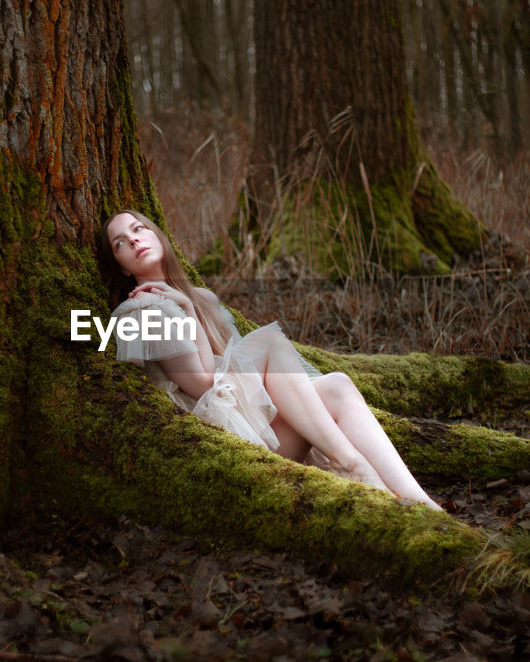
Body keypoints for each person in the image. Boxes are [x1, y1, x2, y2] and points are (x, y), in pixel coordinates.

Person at [102, 210, 442, 509]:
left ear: (156, 233)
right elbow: (204, 384)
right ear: (120, 265)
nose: (134, 240)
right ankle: (349, 463)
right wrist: (188, 314)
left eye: (138, 229)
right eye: (120, 242)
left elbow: (241, 377)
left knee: (337, 385)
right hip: (227, 447)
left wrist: (191, 306)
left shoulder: (200, 297)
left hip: (254, 425)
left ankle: (420, 502)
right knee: (269, 343)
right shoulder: (143, 311)